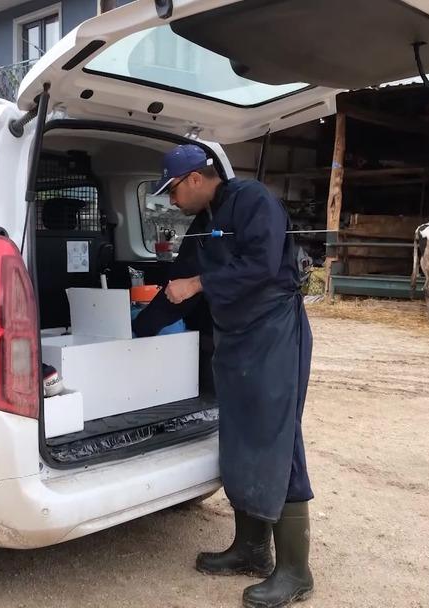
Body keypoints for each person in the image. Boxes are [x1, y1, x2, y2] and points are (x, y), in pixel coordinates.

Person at [153, 144, 315, 608]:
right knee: (241, 436)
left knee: (277, 437)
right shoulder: (204, 223)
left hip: (274, 334)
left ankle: (295, 571)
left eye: (173, 191)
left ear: (196, 179)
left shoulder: (254, 201)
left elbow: (262, 267)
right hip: (237, 339)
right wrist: (136, 328)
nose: (171, 201)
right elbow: (177, 282)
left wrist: (200, 285)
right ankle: (250, 549)